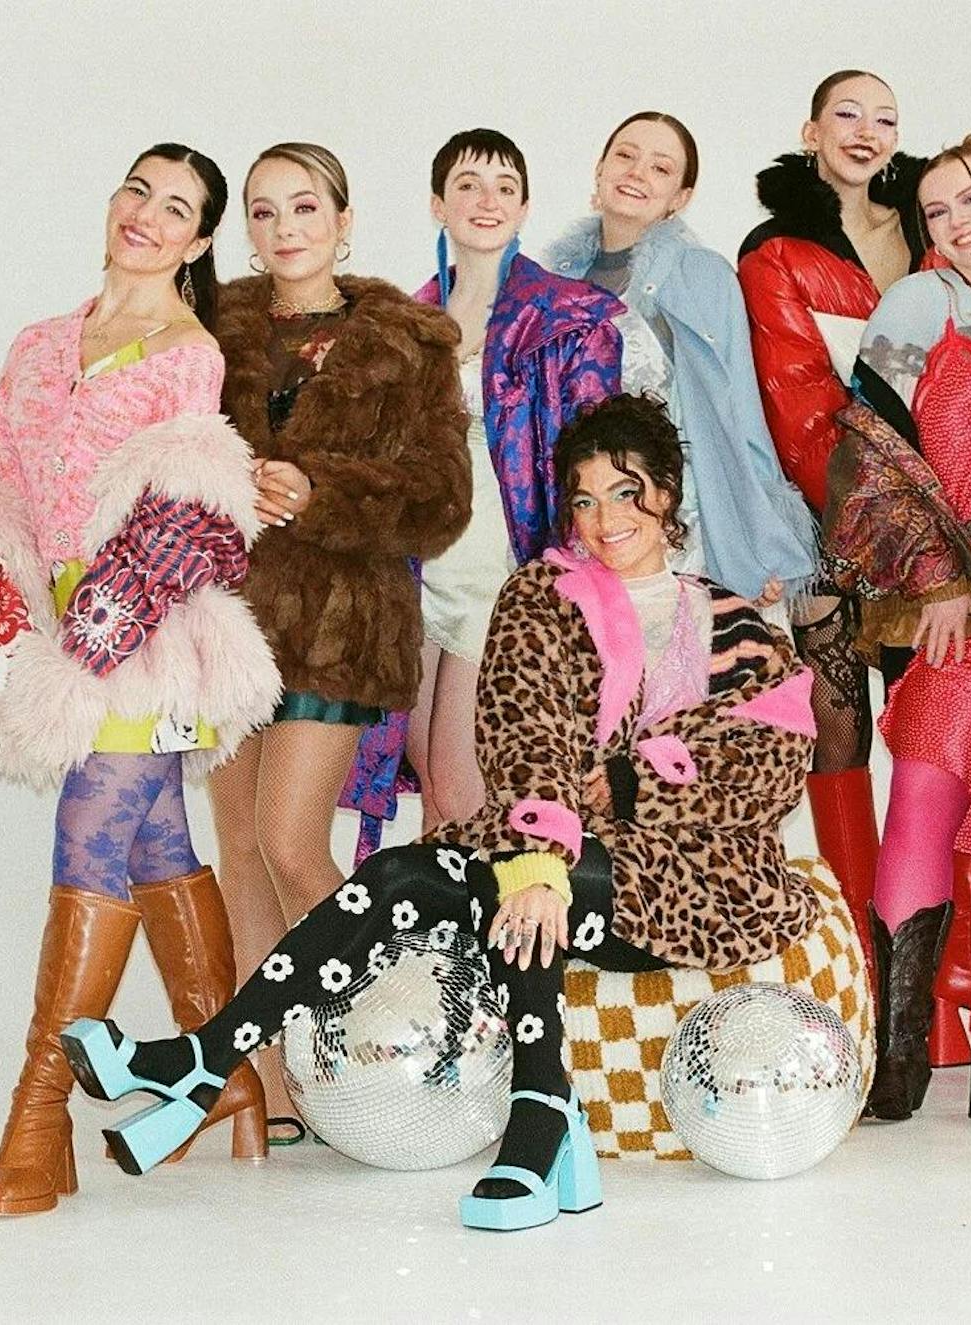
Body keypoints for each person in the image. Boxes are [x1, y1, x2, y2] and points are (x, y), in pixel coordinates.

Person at [58, 394, 824, 1232]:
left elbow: (773, 761)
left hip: (705, 887)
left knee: (519, 879)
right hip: (560, 861)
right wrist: (549, 849)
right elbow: (528, 737)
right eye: (585, 499)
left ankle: (210, 1064)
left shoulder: (736, 622)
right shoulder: (543, 596)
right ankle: (226, 1058)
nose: (605, 520)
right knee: (401, 874)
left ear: (667, 494)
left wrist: (629, 782)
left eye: (625, 493)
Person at [0, 143, 279, 1214]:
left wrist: (84, 655)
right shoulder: (38, 343)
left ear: (197, 241)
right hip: (54, 616)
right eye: (138, 189)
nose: (146, 213)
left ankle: (38, 1114)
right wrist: (10, 622)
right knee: (154, 843)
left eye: (175, 206)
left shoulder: (189, 354)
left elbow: (177, 520)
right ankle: (223, 1072)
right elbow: (2, 494)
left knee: (92, 833)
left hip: (145, 627)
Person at [208, 142, 471, 1136]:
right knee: (241, 849)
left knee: (290, 840)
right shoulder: (214, 327)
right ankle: (269, 1088)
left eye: (305, 206)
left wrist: (321, 493)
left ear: (345, 219)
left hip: (338, 620)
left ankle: (413, 1035)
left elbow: (443, 499)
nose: (285, 228)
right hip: (224, 620)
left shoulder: (408, 339)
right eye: (264, 210)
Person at [824, 135, 971, 1125]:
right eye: (938, 209)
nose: (960, 219)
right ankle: (899, 1038)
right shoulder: (918, 305)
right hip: (960, 599)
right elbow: (865, 449)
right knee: (923, 791)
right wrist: (935, 578)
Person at [735, 68, 927, 967]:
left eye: (884, 117)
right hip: (830, 516)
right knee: (839, 727)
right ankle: (863, 951)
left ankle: (931, 973)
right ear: (810, 130)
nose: (866, 130)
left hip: (946, 521)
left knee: (936, 738)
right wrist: (886, 521)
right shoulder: (775, 249)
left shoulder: (933, 227)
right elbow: (798, 404)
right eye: (846, 113)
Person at [403, 129, 626, 832]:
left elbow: (597, 457)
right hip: (421, 572)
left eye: (505, 187)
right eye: (467, 184)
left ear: (525, 207)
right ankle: (445, 910)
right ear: (438, 204)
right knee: (430, 786)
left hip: (502, 573)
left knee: (462, 783)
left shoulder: (568, 317)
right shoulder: (408, 319)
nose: (486, 200)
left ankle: (502, 903)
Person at [544, 110, 817, 624]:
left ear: (681, 197)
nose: (637, 172)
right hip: (591, 530)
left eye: (661, 167)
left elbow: (739, 411)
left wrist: (761, 538)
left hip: (682, 526)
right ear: (599, 169)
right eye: (625, 156)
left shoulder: (701, 274)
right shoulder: (552, 286)